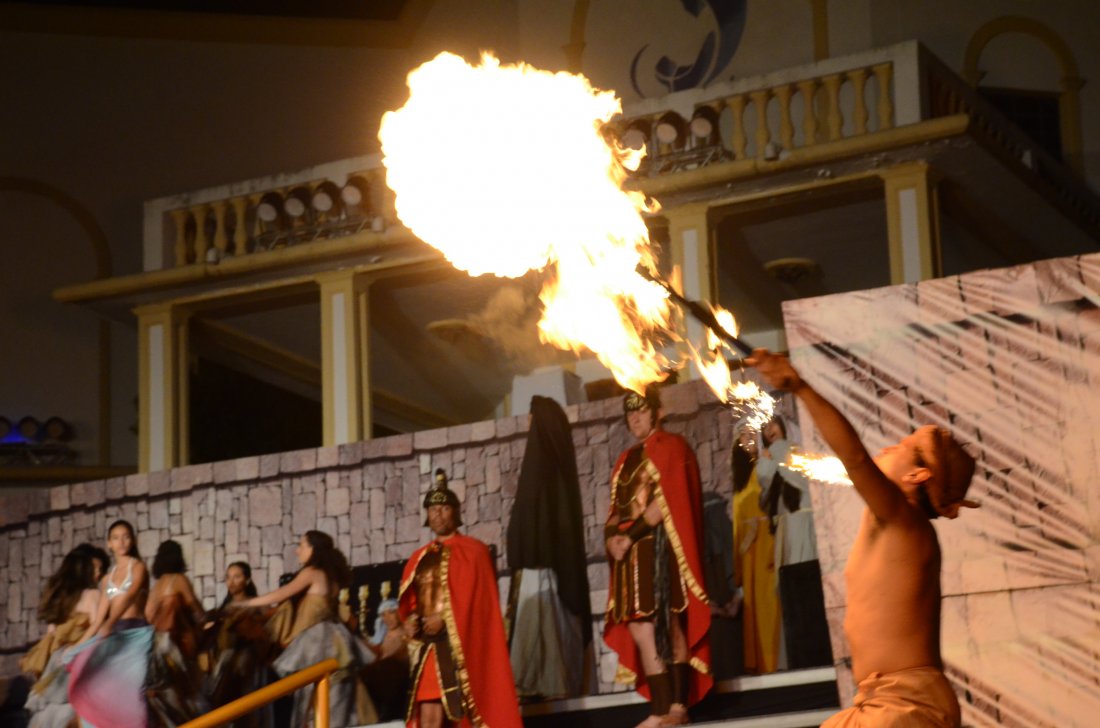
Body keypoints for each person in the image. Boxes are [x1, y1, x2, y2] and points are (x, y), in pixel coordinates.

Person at [749, 349, 976, 727]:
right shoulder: (893, 520)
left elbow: (855, 458)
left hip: (905, 706)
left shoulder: (904, 520)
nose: (886, 448)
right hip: (883, 704)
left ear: (917, 476)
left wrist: (800, 387)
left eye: (901, 447)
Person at [604, 388, 712, 727]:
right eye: (629, 413)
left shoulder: (672, 446)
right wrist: (611, 540)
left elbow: (667, 502)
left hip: (660, 549)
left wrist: (629, 536)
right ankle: (660, 708)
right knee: (640, 628)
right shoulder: (625, 460)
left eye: (640, 410)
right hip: (629, 557)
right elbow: (616, 509)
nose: (634, 418)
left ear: (656, 412)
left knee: (671, 622)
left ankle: (679, 706)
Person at [398, 470, 522, 728]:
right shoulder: (419, 558)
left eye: (444, 508)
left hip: (459, 646)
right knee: (428, 714)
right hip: (428, 648)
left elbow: (479, 605)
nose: (438, 514)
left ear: (455, 512)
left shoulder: (474, 552)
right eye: (433, 509)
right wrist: (410, 621)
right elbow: (412, 602)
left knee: (460, 714)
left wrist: (445, 619)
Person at [232, 531, 375, 728]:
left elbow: (281, 594)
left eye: (302, 545)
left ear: (313, 548)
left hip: (318, 644)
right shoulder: (331, 577)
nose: (297, 551)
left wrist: (246, 603)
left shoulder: (312, 572)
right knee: (330, 703)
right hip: (335, 642)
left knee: (311, 702)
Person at [66, 519, 155, 728]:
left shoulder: (138, 568)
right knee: (92, 680)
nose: (121, 542)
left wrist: (111, 621)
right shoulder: (107, 579)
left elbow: (129, 596)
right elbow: (98, 620)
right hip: (115, 634)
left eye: (125, 537)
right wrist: (78, 645)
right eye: (116, 538)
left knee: (134, 692)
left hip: (137, 634)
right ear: (109, 543)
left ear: (132, 541)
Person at [22, 544, 105, 728]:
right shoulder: (93, 595)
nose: (98, 573)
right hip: (79, 663)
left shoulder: (61, 600)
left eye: (100, 569)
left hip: (56, 665)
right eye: (95, 568)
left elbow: (51, 636)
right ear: (83, 569)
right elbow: (98, 632)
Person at [730, 423, 782, 675]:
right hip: (749, 554)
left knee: (771, 608)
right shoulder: (740, 481)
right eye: (743, 436)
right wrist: (738, 570)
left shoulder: (767, 464)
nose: (748, 439)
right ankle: (762, 666)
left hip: (768, 546)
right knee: (756, 613)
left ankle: (776, 663)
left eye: (752, 435)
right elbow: (737, 527)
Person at [145, 539, 209, 726]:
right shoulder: (179, 580)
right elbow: (197, 610)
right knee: (189, 694)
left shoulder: (156, 586)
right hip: (176, 644)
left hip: (155, 646)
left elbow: (148, 617)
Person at [206, 561, 274, 728]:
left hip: (250, 661)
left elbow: (270, 626)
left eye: (237, 577)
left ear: (247, 580)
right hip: (225, 662)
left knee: (250, 705)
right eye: (228, 577)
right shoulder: (224, 608)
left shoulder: (257, 602)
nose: (231, 582)